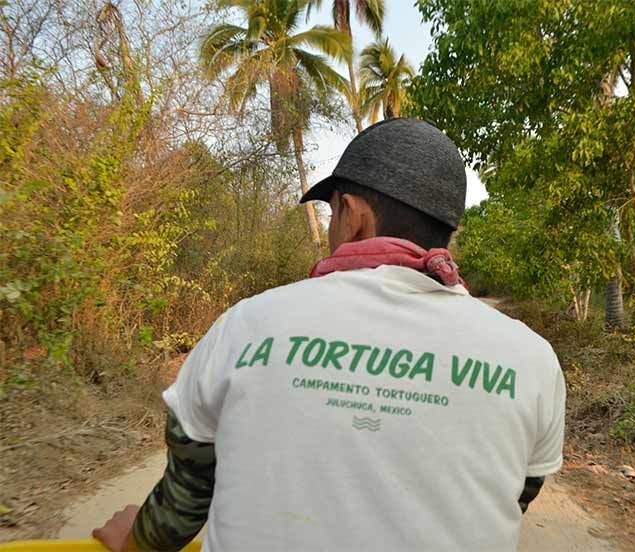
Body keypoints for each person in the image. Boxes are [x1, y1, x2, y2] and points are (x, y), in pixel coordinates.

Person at [93, 118, 565, 552]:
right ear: (446, 232)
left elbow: (184, 502)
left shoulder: (244, 327)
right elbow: (513, 496)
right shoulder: (532, 359)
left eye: (332, 213)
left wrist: (136, 539)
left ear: (352, 213)